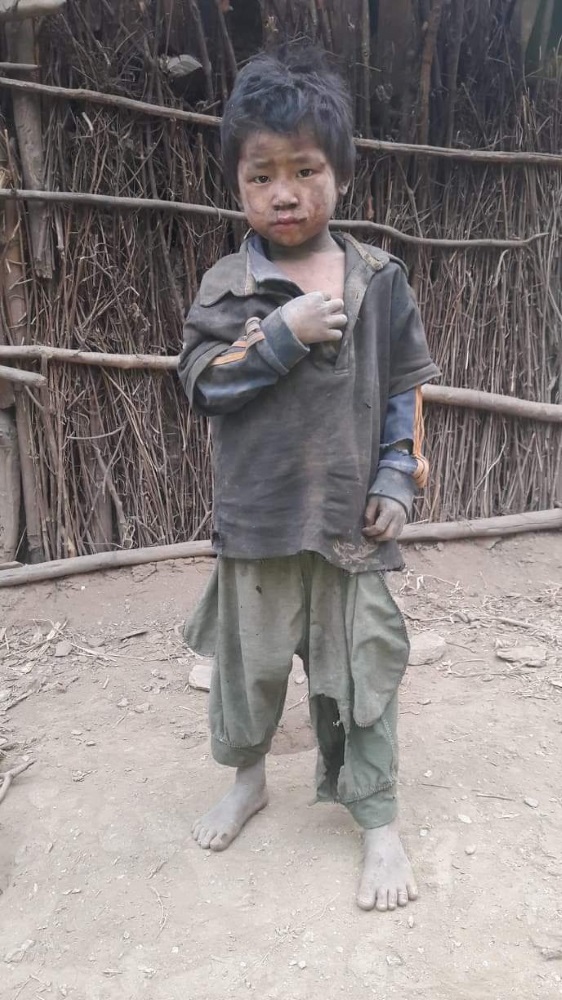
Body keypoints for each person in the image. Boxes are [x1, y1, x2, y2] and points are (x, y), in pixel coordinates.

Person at [178, 43, 439, 913]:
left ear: (342, 174)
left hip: (347, 526)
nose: (283, 193)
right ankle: (248, 780)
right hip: (256, 521)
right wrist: (280, 334)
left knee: (363, 671)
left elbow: (405, 387)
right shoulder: (227, 286)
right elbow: (202, 385)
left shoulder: (378, 280)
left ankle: (378, 818)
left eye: (304, 170)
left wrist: (396, 476)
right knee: (247, 670)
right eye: (261, 176)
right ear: (237, 184)